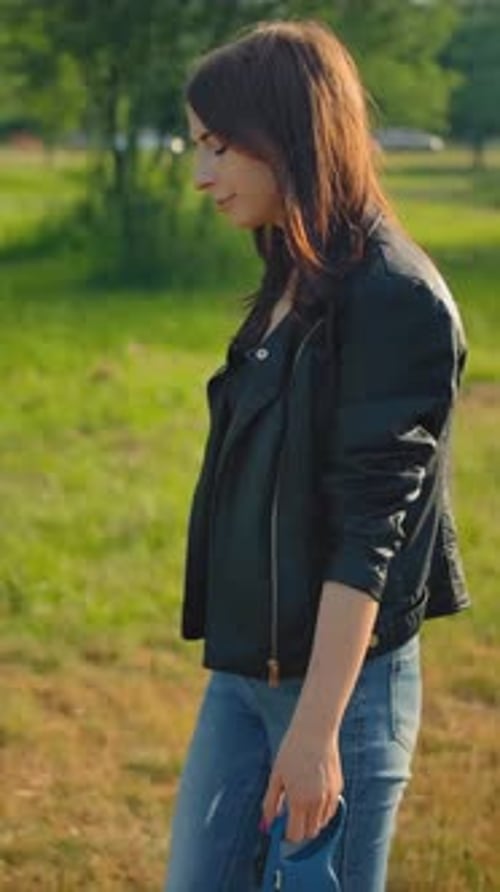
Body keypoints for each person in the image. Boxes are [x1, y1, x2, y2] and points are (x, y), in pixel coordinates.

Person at [164, 19, 469, 892]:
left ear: (286, 134)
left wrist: (316, 730)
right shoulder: (291, 274)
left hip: (340, 694)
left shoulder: (395, 300)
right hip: (244, 679)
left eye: (220, 147)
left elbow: (368, 535)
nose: (203, 174)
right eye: (199, 147)